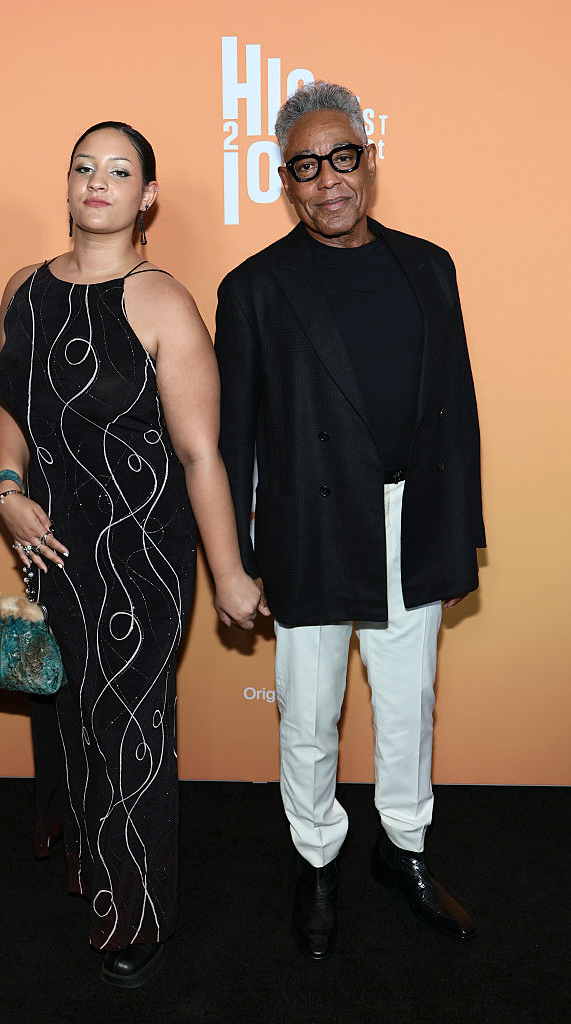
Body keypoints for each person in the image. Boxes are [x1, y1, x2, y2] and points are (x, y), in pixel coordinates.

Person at [214, 82, 485, 961]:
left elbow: (456, 409)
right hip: (311, 526)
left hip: (414, 518)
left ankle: (402, 850)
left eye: (343, 157)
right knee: (308, 712)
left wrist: (456, 534)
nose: (328, 179)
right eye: (306, 166)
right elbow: (232, 439)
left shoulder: (430, 266)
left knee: (409, 705)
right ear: (285, 181)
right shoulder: (254, 289)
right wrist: (236, 561)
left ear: (369, 159)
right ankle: (318, 858)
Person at [0, 120, 264, 987]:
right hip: (50, 546)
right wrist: (6, 490)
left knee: (127, 728)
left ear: (147, 196)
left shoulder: (163, 303)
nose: (97, 182)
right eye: (84, 167)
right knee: (71, 717)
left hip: (140, 552)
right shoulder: (23, 290)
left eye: (119, 171)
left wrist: (228, 572)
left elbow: (200, 454)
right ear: (68, 184)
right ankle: (91, 865)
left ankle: (136, 917)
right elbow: (10, 406)